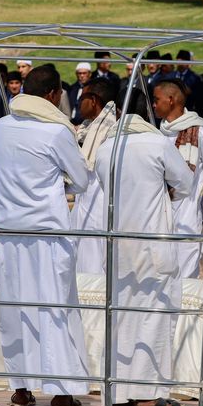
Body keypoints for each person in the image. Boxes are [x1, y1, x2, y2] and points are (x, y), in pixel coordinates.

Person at [0, 65, 90, 406]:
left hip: (6, 231)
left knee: (14, 309)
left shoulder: (1, 127)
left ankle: (20, 387)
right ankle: (61, 390)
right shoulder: (56, 132)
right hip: (46, 234)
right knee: (55, 306)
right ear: (53, 95)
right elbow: (82, 180)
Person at [95, 108, 192, 406]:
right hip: (153, 245)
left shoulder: (107, 147)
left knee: (120, 318)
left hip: (118, 246)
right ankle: (150, 392)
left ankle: (118, 393)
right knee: (154, 317)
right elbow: (187, 184)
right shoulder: (158, 143)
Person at [154, 80, 203, 278]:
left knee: (185, 283)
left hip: (187, 219)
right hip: (158, 218)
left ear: (171, 99)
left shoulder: (201, 134)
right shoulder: (156, 133)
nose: (153, 104)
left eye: (157, 99)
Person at [70, 78, 119, 275]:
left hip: (99, 207)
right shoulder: (87, 130)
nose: (78, 104)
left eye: (82, 98)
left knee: (95, 265)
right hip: (84, 204)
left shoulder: (109, 131)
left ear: (94, 100)